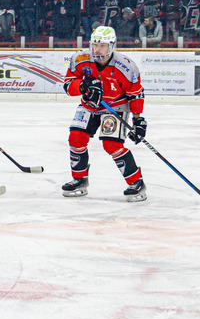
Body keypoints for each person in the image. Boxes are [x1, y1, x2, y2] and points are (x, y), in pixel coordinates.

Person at [61, 26, 147, 201]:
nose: (97, 49)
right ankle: (79, 179)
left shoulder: (126, 66)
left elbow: (135, 94)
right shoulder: (80, 59)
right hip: (89, 105)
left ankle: (136, 182)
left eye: (102, 45)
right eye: (94, 45)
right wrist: (83, 86)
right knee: (76, 138)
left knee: (112, 145)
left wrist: (138, 120)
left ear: (112, 46)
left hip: (115, 106)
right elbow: (68, 85)